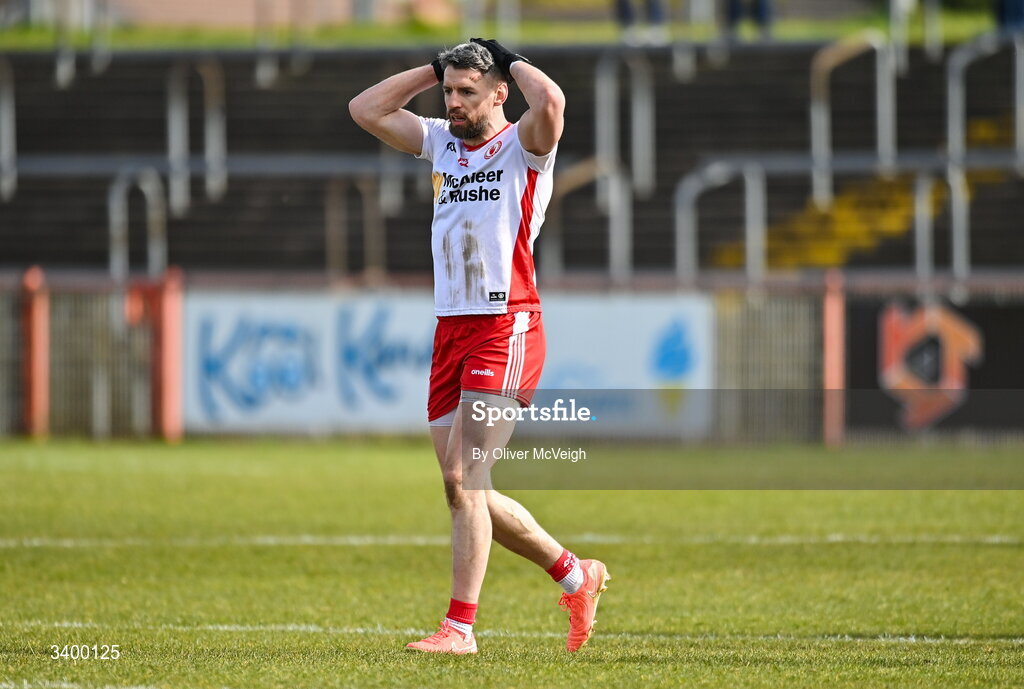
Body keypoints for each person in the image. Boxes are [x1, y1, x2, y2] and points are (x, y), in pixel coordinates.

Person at [349, 39, 611, 655]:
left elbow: (553, 99)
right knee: (465, 487)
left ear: (499, 93)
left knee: (465, 476)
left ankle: (459, 629)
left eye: (469, 91)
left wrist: (507, 56)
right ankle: (577, 575)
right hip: (451, 329)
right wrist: (433, 68)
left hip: (506, 324)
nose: (455, 102)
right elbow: (365, 109)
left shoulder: (524, 145)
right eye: (450, 91)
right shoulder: (440, 139)